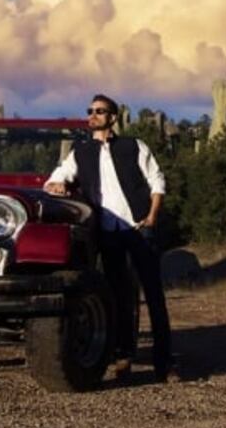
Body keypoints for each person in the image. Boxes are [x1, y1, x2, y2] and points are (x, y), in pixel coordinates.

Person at [44, 94, 177, 383]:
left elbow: (157, 180)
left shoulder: (133, 146)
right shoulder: (80, 152)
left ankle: (164, 363)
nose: (92, 115)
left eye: (100, 111)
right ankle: (123, 357)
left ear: (113, 117)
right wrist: (57, 186)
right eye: (90, 110)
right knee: (118, 298)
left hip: (140, 228)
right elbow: (57, 177)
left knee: (154, 296)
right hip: (108, 232)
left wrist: (152, 217)